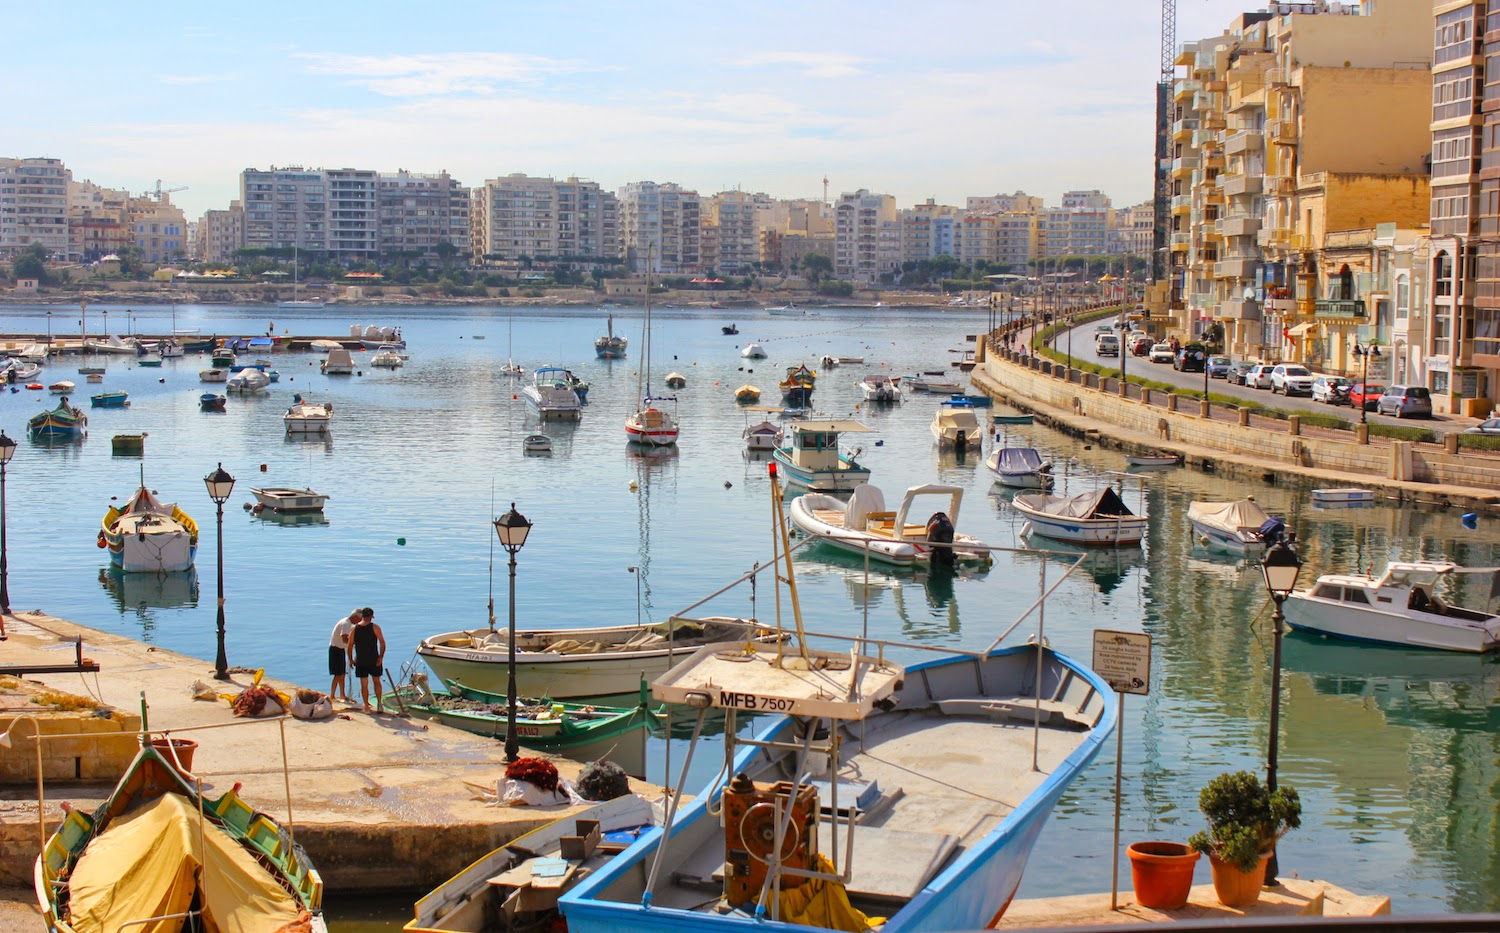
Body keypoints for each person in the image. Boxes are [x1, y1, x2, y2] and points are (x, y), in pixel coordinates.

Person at [348, 607, 386, 712]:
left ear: (362, 616)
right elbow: (382, 642)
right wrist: (381, 657)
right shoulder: (375, 627)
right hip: (373, 658)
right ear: (371, 617)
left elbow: (350, 645)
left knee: (364, 684)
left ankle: (366, 706)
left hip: (360, 659)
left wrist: (350, 659)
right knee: (377, 682)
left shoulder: (354, 628)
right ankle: (379, 704)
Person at [328, 609, 360, 702]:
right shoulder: (346, 624)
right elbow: (344, 639)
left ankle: (342, 694)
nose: (359, 622)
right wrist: (354, 644)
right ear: (355, 617)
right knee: (338, 674)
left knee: (342, 674)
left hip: (340, 649)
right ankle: (332, 695)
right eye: (359, 619)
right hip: (336, 650)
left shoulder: (347, 622)